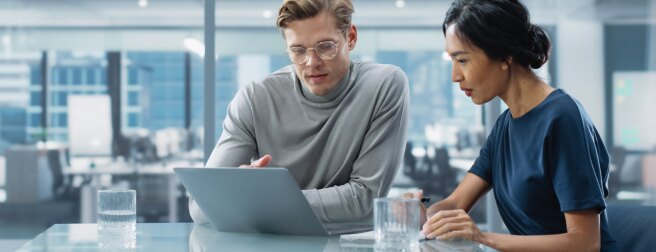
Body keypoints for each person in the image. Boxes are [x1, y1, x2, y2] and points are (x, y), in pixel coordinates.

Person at [406, 0, 618, 251]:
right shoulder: (505, 125)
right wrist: (421, 215)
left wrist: (484, 238)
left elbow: (585, 242)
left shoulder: (562, 118)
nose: (455, 76)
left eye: (462, 60)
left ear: (504, 56)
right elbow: (455, 203)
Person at [189, 0, 410, 224]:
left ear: (350, 38)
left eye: (325, 47)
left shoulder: (384, 84)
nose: (311, 62)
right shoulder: (254, 99)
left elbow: (364, 201)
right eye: (298, 50)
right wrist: (246, 190)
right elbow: (200, 207)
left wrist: (258, 201)